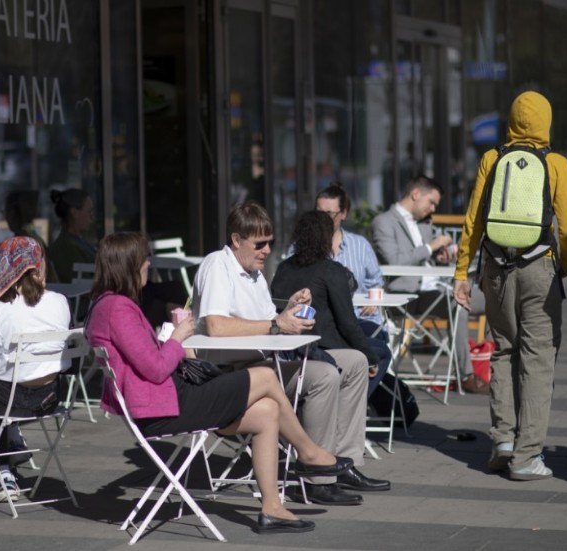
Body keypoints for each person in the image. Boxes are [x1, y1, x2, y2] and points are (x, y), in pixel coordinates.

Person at [87, 232, 354, 534]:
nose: (149, 263)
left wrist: (172, 342)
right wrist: (177, 338)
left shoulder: (104, 306)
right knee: (266, 376)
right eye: (144, 258)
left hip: (167, 401)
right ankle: (308, 453)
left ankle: (272, 509)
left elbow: (145, 361)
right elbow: (156, 368)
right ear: (128, 264)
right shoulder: (118, 308)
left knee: (267, 411)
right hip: (167, 406)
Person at [192, 201, 388, 506]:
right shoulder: (218, 265)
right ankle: (316, 477)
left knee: (355, 361)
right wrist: (275, 323)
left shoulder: (254, 274)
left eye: (270, 243)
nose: (267, 250)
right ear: (235, 239)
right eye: (259, 243)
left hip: (263, 367)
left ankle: (345, 461)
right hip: (228, 375)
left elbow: (270, 322)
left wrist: (289, 310)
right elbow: (216, 326)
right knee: (324, 374)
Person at [453, 90, 567, 481]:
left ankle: (503, 440)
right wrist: (565, 267)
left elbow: (474, 219)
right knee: (539, 358)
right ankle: (527, 455)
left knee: (504, 350)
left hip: (495, 268)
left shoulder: (492, 159)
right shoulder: (557, 164)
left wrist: (461, 272)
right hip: (539, 268)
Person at [0, 236, 72, 501]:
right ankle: (12, 437)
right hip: (50, 398)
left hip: (8, 399)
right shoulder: (61, 301)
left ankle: (2, 468)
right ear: (39, 265)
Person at [372, 176, 490, 394]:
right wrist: (430, 247)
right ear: (416, 194)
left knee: (498, 298)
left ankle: (497, 366)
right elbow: (395, 261)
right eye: (431, 202)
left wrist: (439, 256)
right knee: (460, 305)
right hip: (409, 296)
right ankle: (466, 375)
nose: (432, 208)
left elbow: (425, 255)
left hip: (439, 290)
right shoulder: (384, 222)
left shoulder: (424, 223)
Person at [272, 210, 382, 393]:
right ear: (327, 238)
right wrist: (370, 357)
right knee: (380, 352)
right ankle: (350, 405)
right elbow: (347, 322)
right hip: (323, 347)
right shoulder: (330, 270)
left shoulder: (283, 268)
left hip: (288, 350)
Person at [311, 182, 392, 395]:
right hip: (321, 324)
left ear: (343, 213)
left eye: (330, 213)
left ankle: (351, 403)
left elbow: (376, 281)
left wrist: (373, 302)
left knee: (377, 345)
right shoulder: (304, 247)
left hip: (358, 318)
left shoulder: (360, 245)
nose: (324, 219)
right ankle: (344, 403)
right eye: (319, 213)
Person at [48, 188, 95, 284]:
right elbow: (81, 288)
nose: (91, 217)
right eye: (89, 211)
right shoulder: (65, 248)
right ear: (74, 213)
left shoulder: (74, 242)